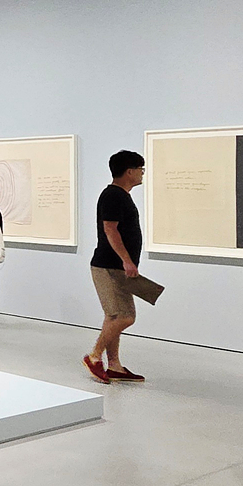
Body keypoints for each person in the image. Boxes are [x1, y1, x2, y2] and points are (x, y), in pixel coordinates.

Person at [85, 150, 147, 384]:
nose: (142, 173)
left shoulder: (120, 195)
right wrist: (127, 260)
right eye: (140, 169)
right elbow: (110, 229)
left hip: (115, 267)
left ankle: (114, 365)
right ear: (129, 171)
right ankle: (94, 356)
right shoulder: (113, 195)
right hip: (108, 266)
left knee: (114, 316)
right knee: (125, 316)